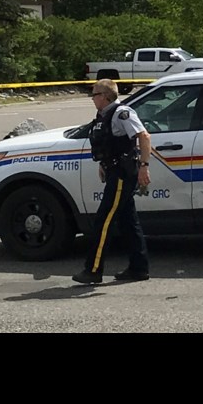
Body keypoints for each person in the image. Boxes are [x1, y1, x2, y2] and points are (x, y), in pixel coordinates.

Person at [72, 78, 152, 284]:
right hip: (114, 170)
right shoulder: (103, 117)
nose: (92, 98)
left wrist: (144, 166)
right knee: (128, 221)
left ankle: (93, 269)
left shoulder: (122, 113)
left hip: (123, 174)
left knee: (104, 221)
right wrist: (103, 165)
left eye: (95, 94)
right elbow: (109, 145)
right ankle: (139, 268)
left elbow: (144, 137)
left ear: (106, 96)